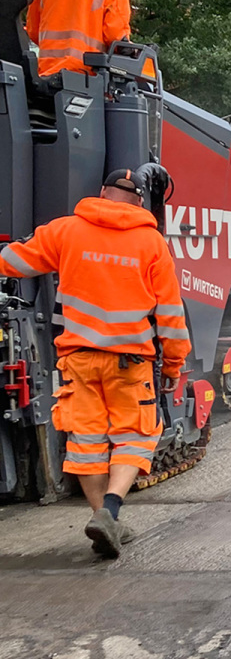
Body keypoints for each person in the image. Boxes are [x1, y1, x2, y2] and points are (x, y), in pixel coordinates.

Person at [0, 166, 189, 559]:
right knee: (135, 435)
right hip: (130, 360)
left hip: (78, 360)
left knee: (86, 443)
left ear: (102, 192)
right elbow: (171, 314)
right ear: (140, 201)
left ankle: (103, 520)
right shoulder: (151, 243)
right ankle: (111, 511)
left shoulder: (66, 230)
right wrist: (173, 365)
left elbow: (12, 263)